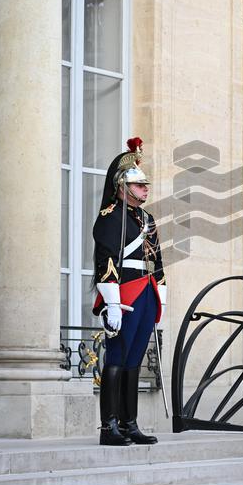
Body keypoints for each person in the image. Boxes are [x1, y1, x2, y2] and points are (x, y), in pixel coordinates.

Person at [91, 137, 167, 446]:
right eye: (138, 185)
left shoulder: (147, 219)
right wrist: (111, 303)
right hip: (124, 295)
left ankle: (129, 422)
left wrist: (161, 298)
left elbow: (157, 260)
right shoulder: (111, 216)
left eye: (145, 185)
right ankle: (109, 427)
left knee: (134, 358)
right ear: (122, 186)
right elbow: (106, 259)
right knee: (117, 357)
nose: (145, 189)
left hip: (146, 293)